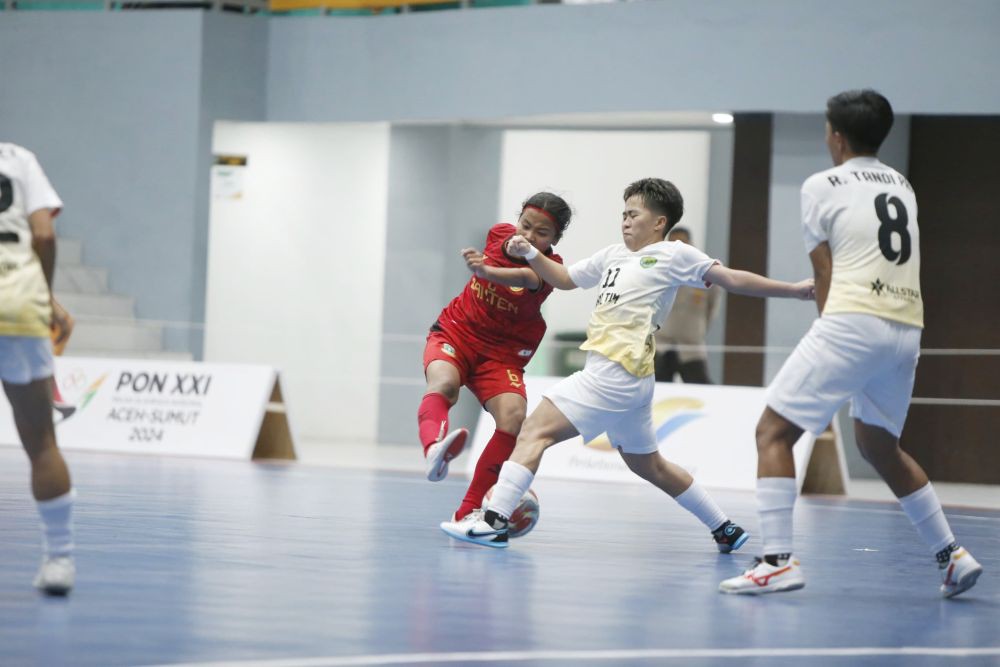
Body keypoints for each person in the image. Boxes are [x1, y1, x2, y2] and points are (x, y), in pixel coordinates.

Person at [440, 178, 813, 549]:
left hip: (613, 374)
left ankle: (493, 520)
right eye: (623, 214)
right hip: (631, 381)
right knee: (649, 466)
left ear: (659, 223)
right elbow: (566, 279)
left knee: (533, 432)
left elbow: (732, 279)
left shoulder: (675, 254)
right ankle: (725, 528)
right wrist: (531, 254)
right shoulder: (612, 255)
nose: (625, 221)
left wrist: (793, 290)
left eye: (634, 214)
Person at [719, 90, 983, 598]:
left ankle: (776, 561)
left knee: (772, 432)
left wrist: (830, 342)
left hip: (853, 321)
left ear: (835, 136)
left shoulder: (822, 184)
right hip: (907, 327)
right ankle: (951, 554)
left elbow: (825, 274)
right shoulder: (901, 184)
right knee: (879, 446)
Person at [418, 192, 571, 523]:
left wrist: (487, 272)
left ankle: (467, 511)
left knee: (514, 418)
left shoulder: (550, 269)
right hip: (456, 332)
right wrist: (495, 260)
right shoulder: (500, 234)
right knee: (444, 385)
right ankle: (433, 450)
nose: (528, 236)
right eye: (525, 226)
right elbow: (507, 250)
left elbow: (526, 278)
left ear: (554, 240)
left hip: (502, 356)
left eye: (541, 234)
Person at [0, 142, 76, 595]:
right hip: (18, 304)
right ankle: (59, 560)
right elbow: (44, 236)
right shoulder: (16, 158)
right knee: (41, 440)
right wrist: (45, 297)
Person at [653, 226, 719, 384]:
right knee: (654, 389)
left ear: (691, 245)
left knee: (702, 389)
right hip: (661, 344)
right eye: (673, 243)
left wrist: (698, 330)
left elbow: (711, 308)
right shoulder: (656, 271)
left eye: (683, 243)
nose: (678, 248)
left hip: (692, 346)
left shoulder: (705, 272)